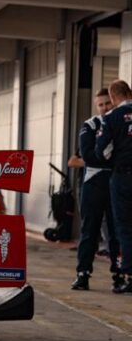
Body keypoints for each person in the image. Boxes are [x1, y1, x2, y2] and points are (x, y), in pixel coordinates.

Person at [71, 88, 120, 291]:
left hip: (116, 183)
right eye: (101, 104)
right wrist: (110, 159)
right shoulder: (90, 125)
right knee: (89, 230)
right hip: (93, 184)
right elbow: (87, 156)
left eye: (108, 103)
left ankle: (119, 274)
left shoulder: (121, 123)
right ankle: (83, 274)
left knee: (116, 232)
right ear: (95, 106)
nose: (105, 107)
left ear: (114, 102)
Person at [96, 79, 132, 293]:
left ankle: (129, 275)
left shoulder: (111, 118)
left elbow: (102, 152)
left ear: (113, 97)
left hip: (123, 176)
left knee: (125, 227)